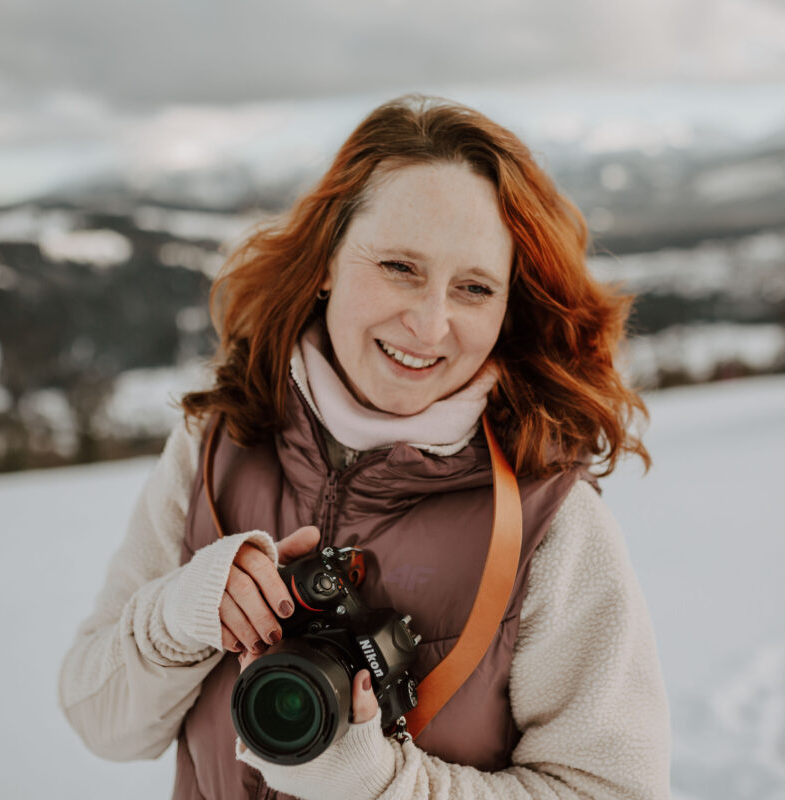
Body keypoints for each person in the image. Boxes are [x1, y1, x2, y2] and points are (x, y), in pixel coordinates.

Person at [58, 94, 671, 800]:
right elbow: (101, 724)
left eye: (474, 288)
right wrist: (179, 614)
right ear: (326, 260)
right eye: (400, 267)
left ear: (509, 308)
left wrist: (380, 785)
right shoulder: (216, 447)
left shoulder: (548, 521)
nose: (430, 326)